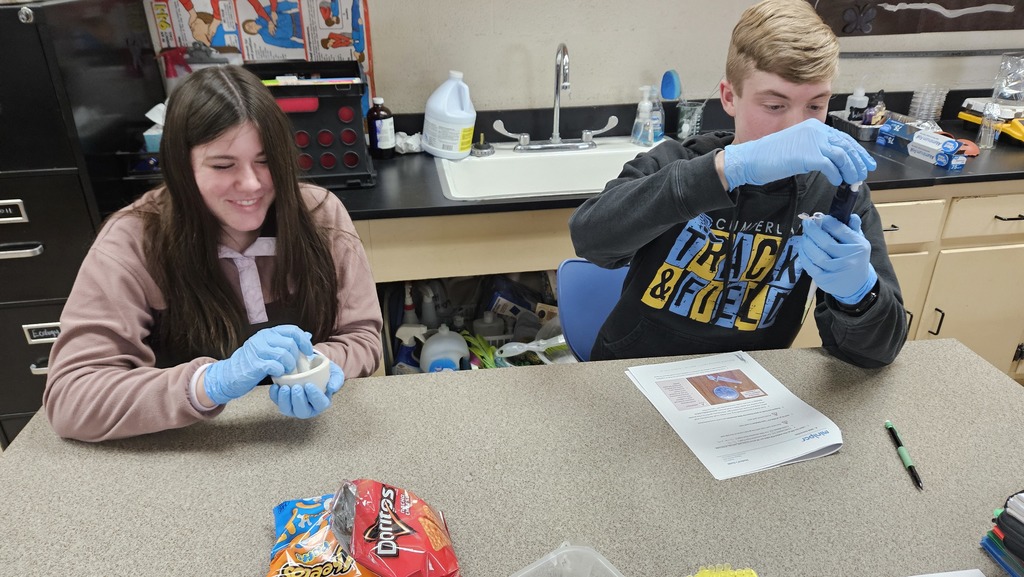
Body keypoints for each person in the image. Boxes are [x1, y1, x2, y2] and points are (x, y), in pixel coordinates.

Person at [43, 65, 383, 442]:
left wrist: (320, 367)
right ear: (181, 168)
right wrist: (209, 383)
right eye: (223, 165)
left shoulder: (321, 216)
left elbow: (362, 336)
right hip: (192, 451)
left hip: (304, 437)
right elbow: (71, 398)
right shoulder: (132, 241)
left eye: (266, 160)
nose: (252, 183)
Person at [569, 0, 907, 368]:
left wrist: (860, 295)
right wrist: (724, 171)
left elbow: (876, 353)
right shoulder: (675, 161)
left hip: (749, 385)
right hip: (635, 370)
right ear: (730, 97)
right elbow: (591, 240)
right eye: (775, 106)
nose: (799, 129)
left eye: (815, 107)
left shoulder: (836, 192)